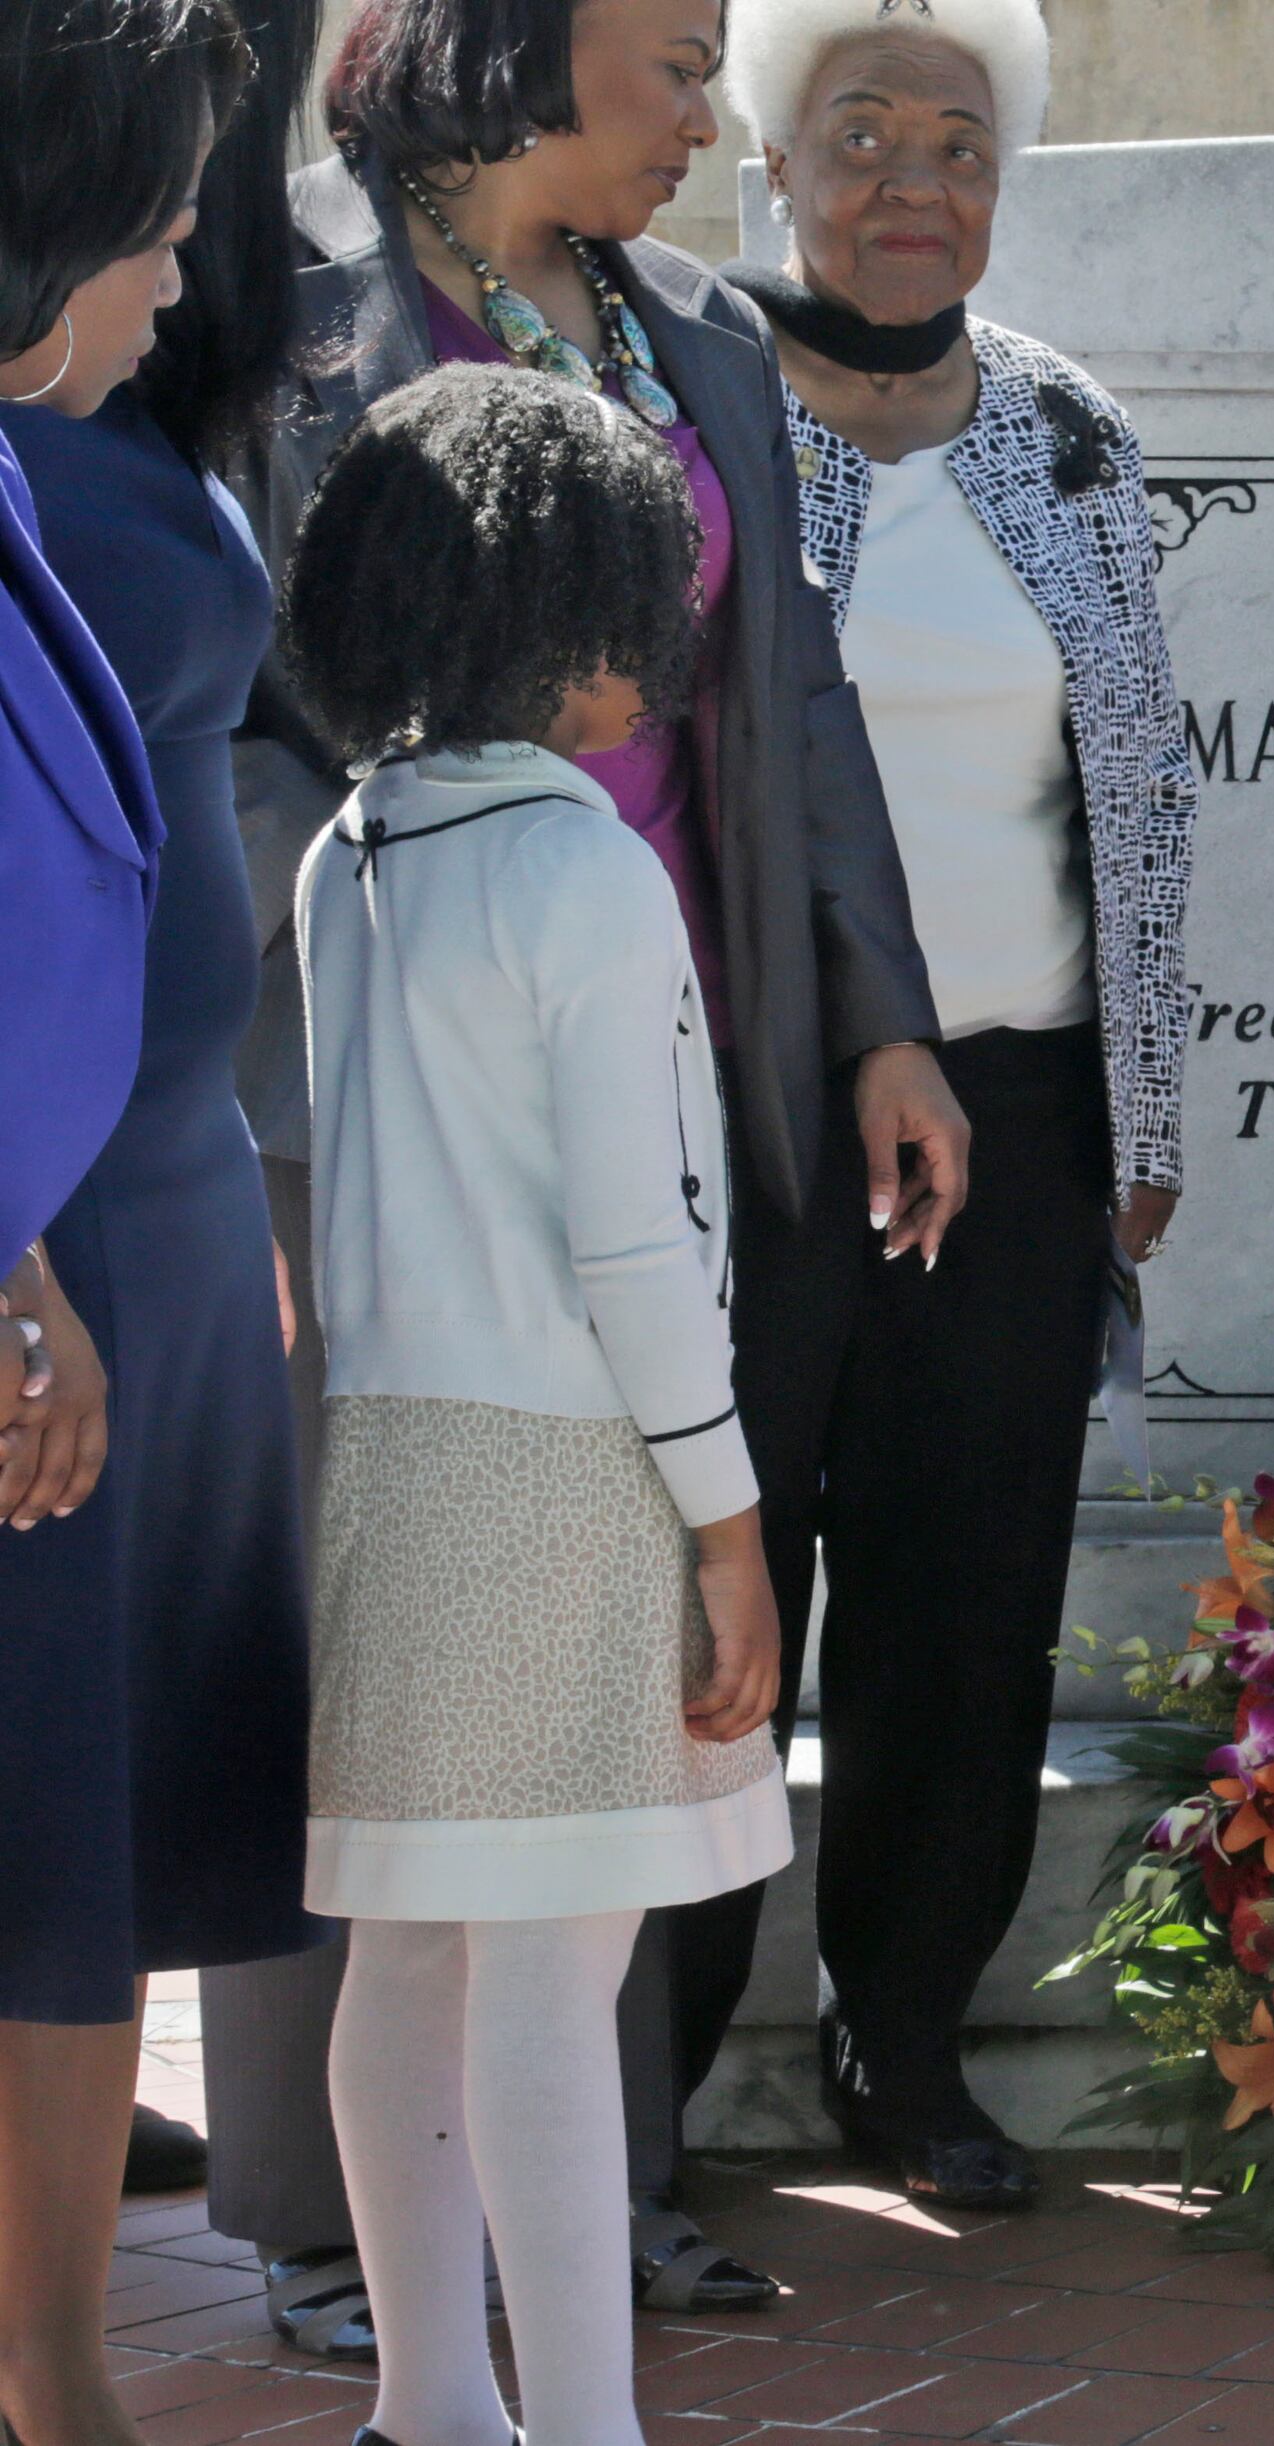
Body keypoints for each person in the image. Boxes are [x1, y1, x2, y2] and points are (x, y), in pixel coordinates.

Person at [209, 0, 967, 2329]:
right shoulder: (289, 304)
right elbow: (237, 717)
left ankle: (588, 2186)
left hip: (661, 1033)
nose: (710, 111)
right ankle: (343, 2236)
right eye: (668, 55)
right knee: (396, 1658)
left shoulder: (706, 334)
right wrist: (315, 1060)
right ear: (510, 49)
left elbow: (797, 696)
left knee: (602, 1629)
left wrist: (879, 1015)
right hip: (373, 1081)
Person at [676, 0, 1191, 2210]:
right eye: (858, 133)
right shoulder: (680, 407)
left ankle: (908, 2041)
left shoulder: (1073, 430)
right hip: (748, 1122)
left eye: (957, 141)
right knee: (714, 1591)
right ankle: (646, 2071)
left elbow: (1141, 794)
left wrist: (1141, 1103)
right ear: (774, 162)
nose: (910, 180)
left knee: (966, 1599)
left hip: (1027, 1110)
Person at [286, 361, 792, 2446]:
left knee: (411, 1955)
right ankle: (578, 2417)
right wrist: (732, 1518)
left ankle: (433, 2404)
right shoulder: (584, 876)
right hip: (573, 1469)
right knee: (555, 1979)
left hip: (394, 1457)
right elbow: (636, 1247)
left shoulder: (348, 849)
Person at [0, 0, 329, 2215]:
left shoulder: (76, 434)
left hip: (156, 1199)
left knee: (103, 1830)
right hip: (60, 1231)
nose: (195, 253)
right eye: (161, 215)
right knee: (51, 1827)